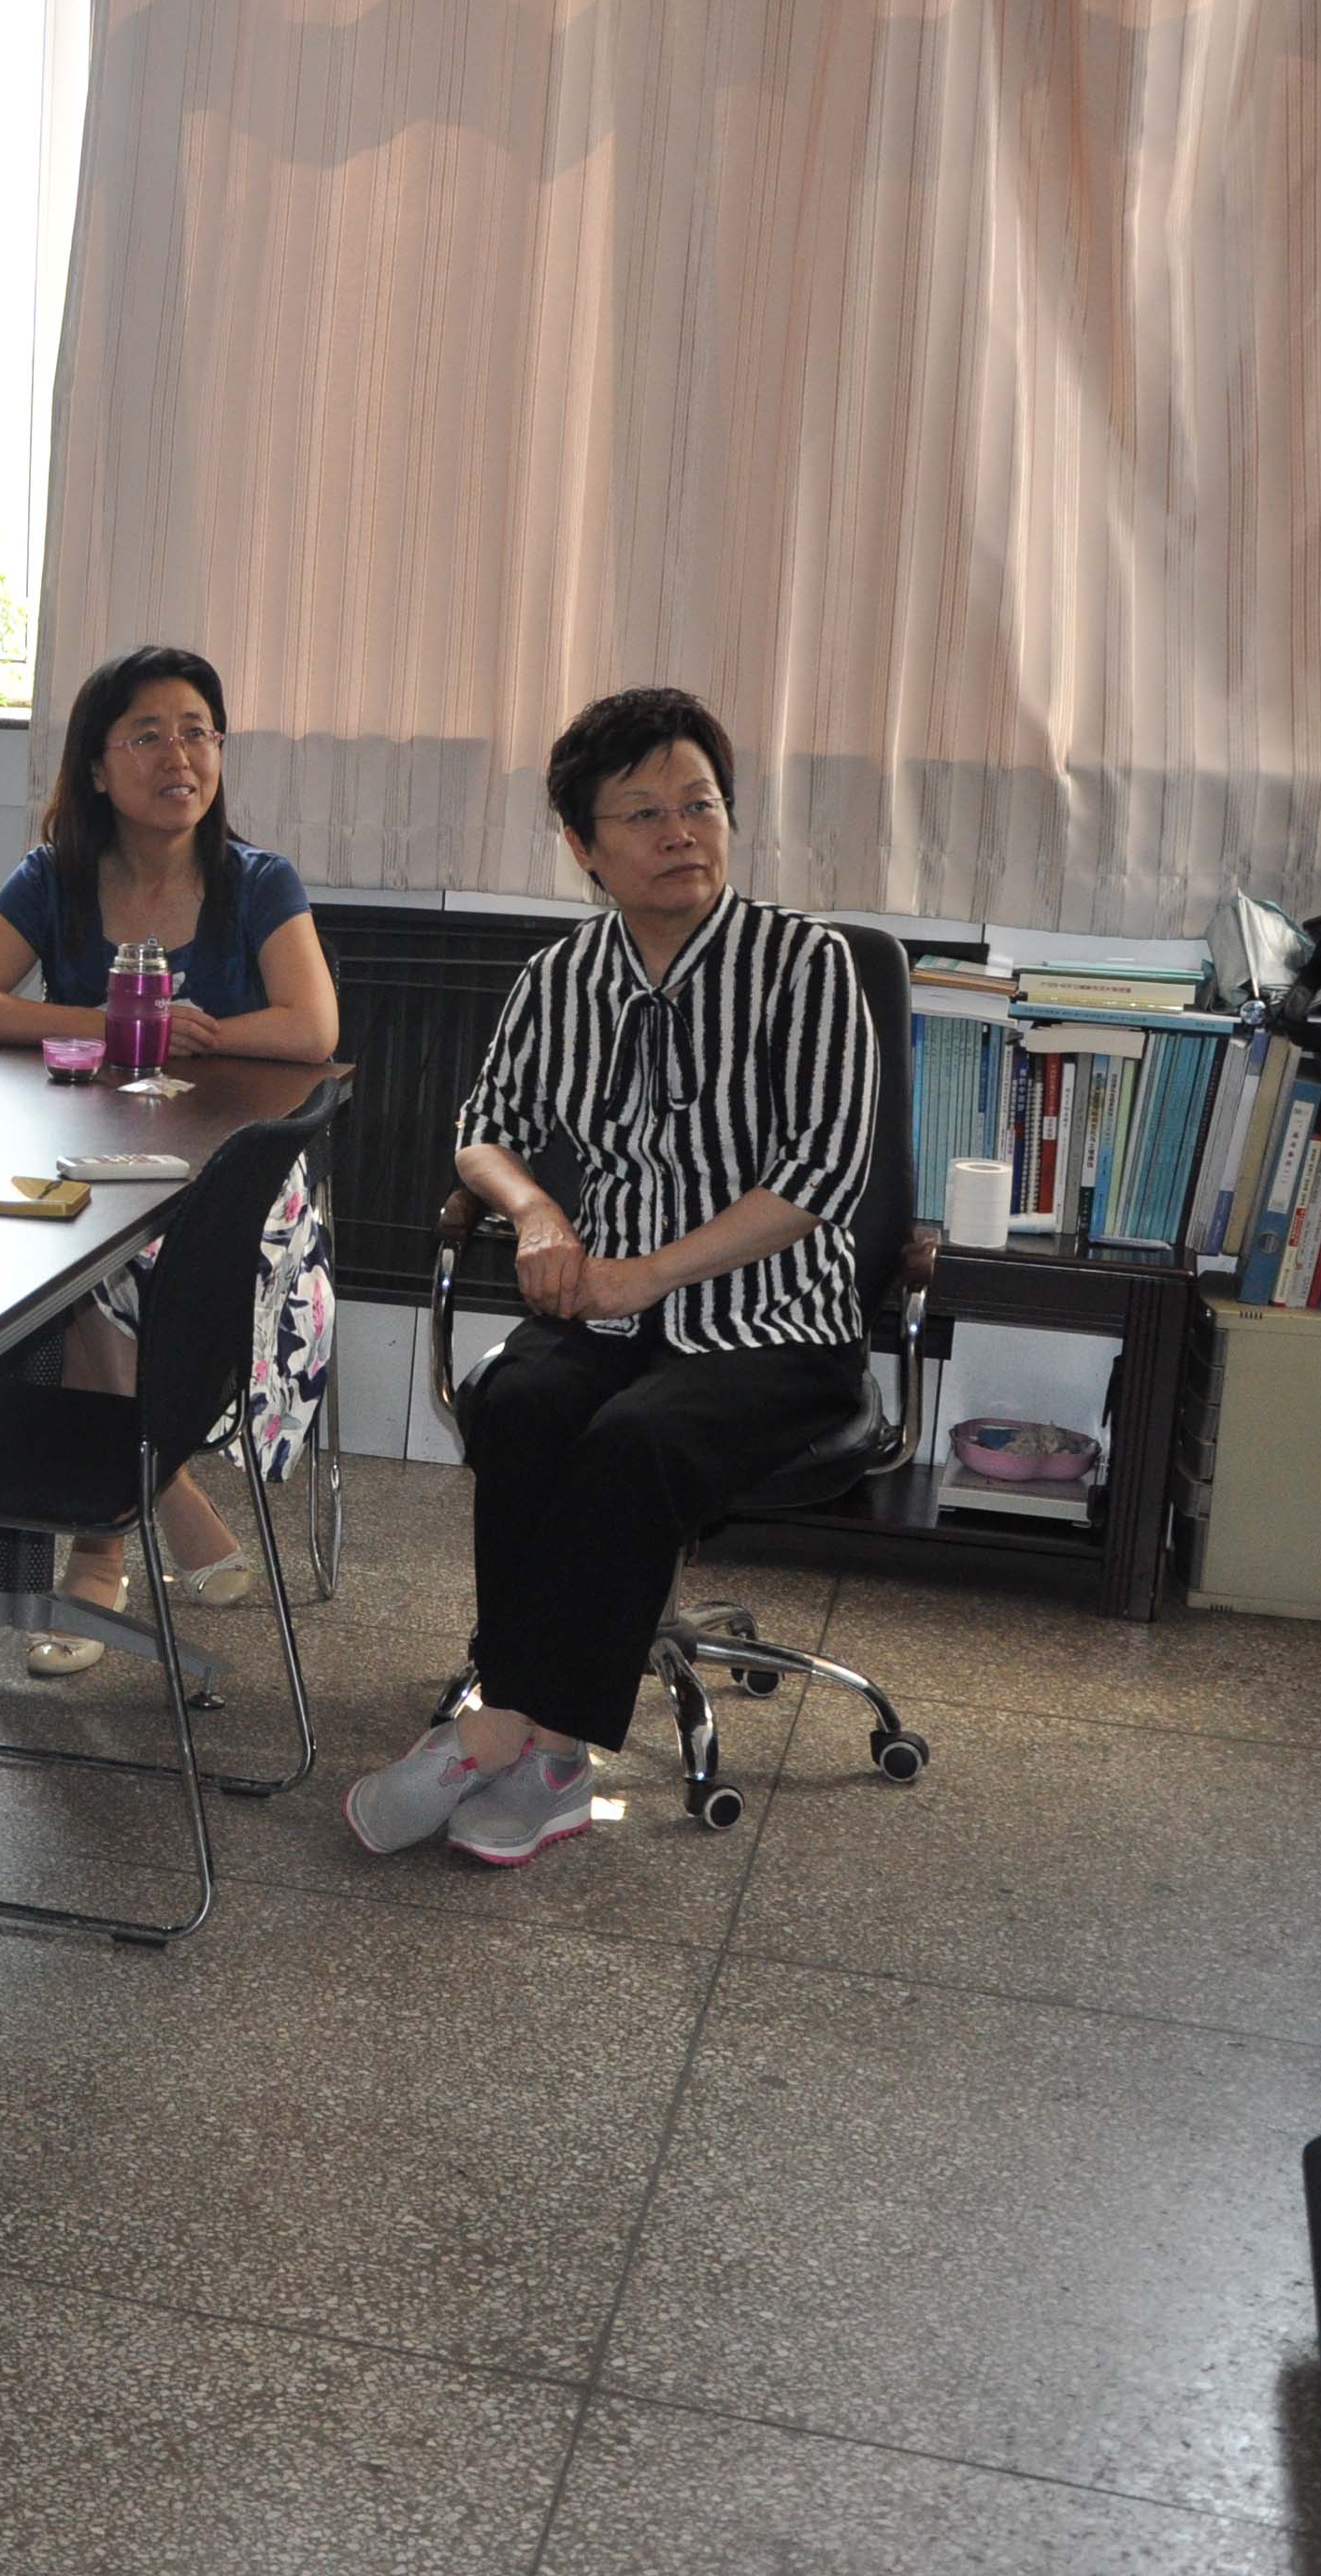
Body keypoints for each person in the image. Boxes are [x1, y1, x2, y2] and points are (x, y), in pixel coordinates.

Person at [347, 686, 877, 1869]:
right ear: (584, 847)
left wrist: (647, 1277)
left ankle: (510, 1732)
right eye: (642, 813)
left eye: (700, 804)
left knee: (633, 1440)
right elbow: (482, 1128)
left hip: (775, 1324)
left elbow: (822, 1173)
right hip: (604, 1308)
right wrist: (536, 1210)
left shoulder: (807, 965)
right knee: (519, 1400)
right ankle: (543, 1752)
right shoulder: (561, 977)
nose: (680, 832)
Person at [0, 645, 342, 1675]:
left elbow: (311, 1028)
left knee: (107, 1270)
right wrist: (113, 1024)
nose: (179, 756)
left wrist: (200, 1034)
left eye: (198, 732)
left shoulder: (258, 882)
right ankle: (160, 1496)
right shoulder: (54, 878)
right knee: (65, 1250)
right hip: (90, 1161)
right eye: (148, 735)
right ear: (98, 767)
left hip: (239, 1184)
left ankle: (100, 1550)